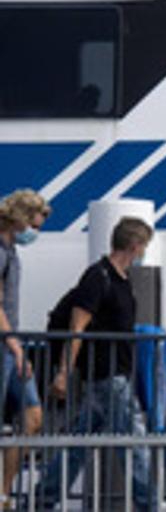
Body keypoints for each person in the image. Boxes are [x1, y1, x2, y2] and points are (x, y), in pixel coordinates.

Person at [36, 217, 154, 510]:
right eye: (144, 247)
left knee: (78, 445)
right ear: (134, 245)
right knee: (136, 446)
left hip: (115, 375)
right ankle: (149, 505)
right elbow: (77, 327)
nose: (144, 254)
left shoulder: (122, 280)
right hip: (107, 376)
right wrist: (63, 372)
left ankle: (41, 499)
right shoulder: (97, 277)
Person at [0, 189, 50, 504]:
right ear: (20, 218)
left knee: (33, 416)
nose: (36, 232)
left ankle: (3, 492)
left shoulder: (11, 250)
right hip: (5, 345)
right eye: (35, 224)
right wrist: (14, 345)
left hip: (9, 346)